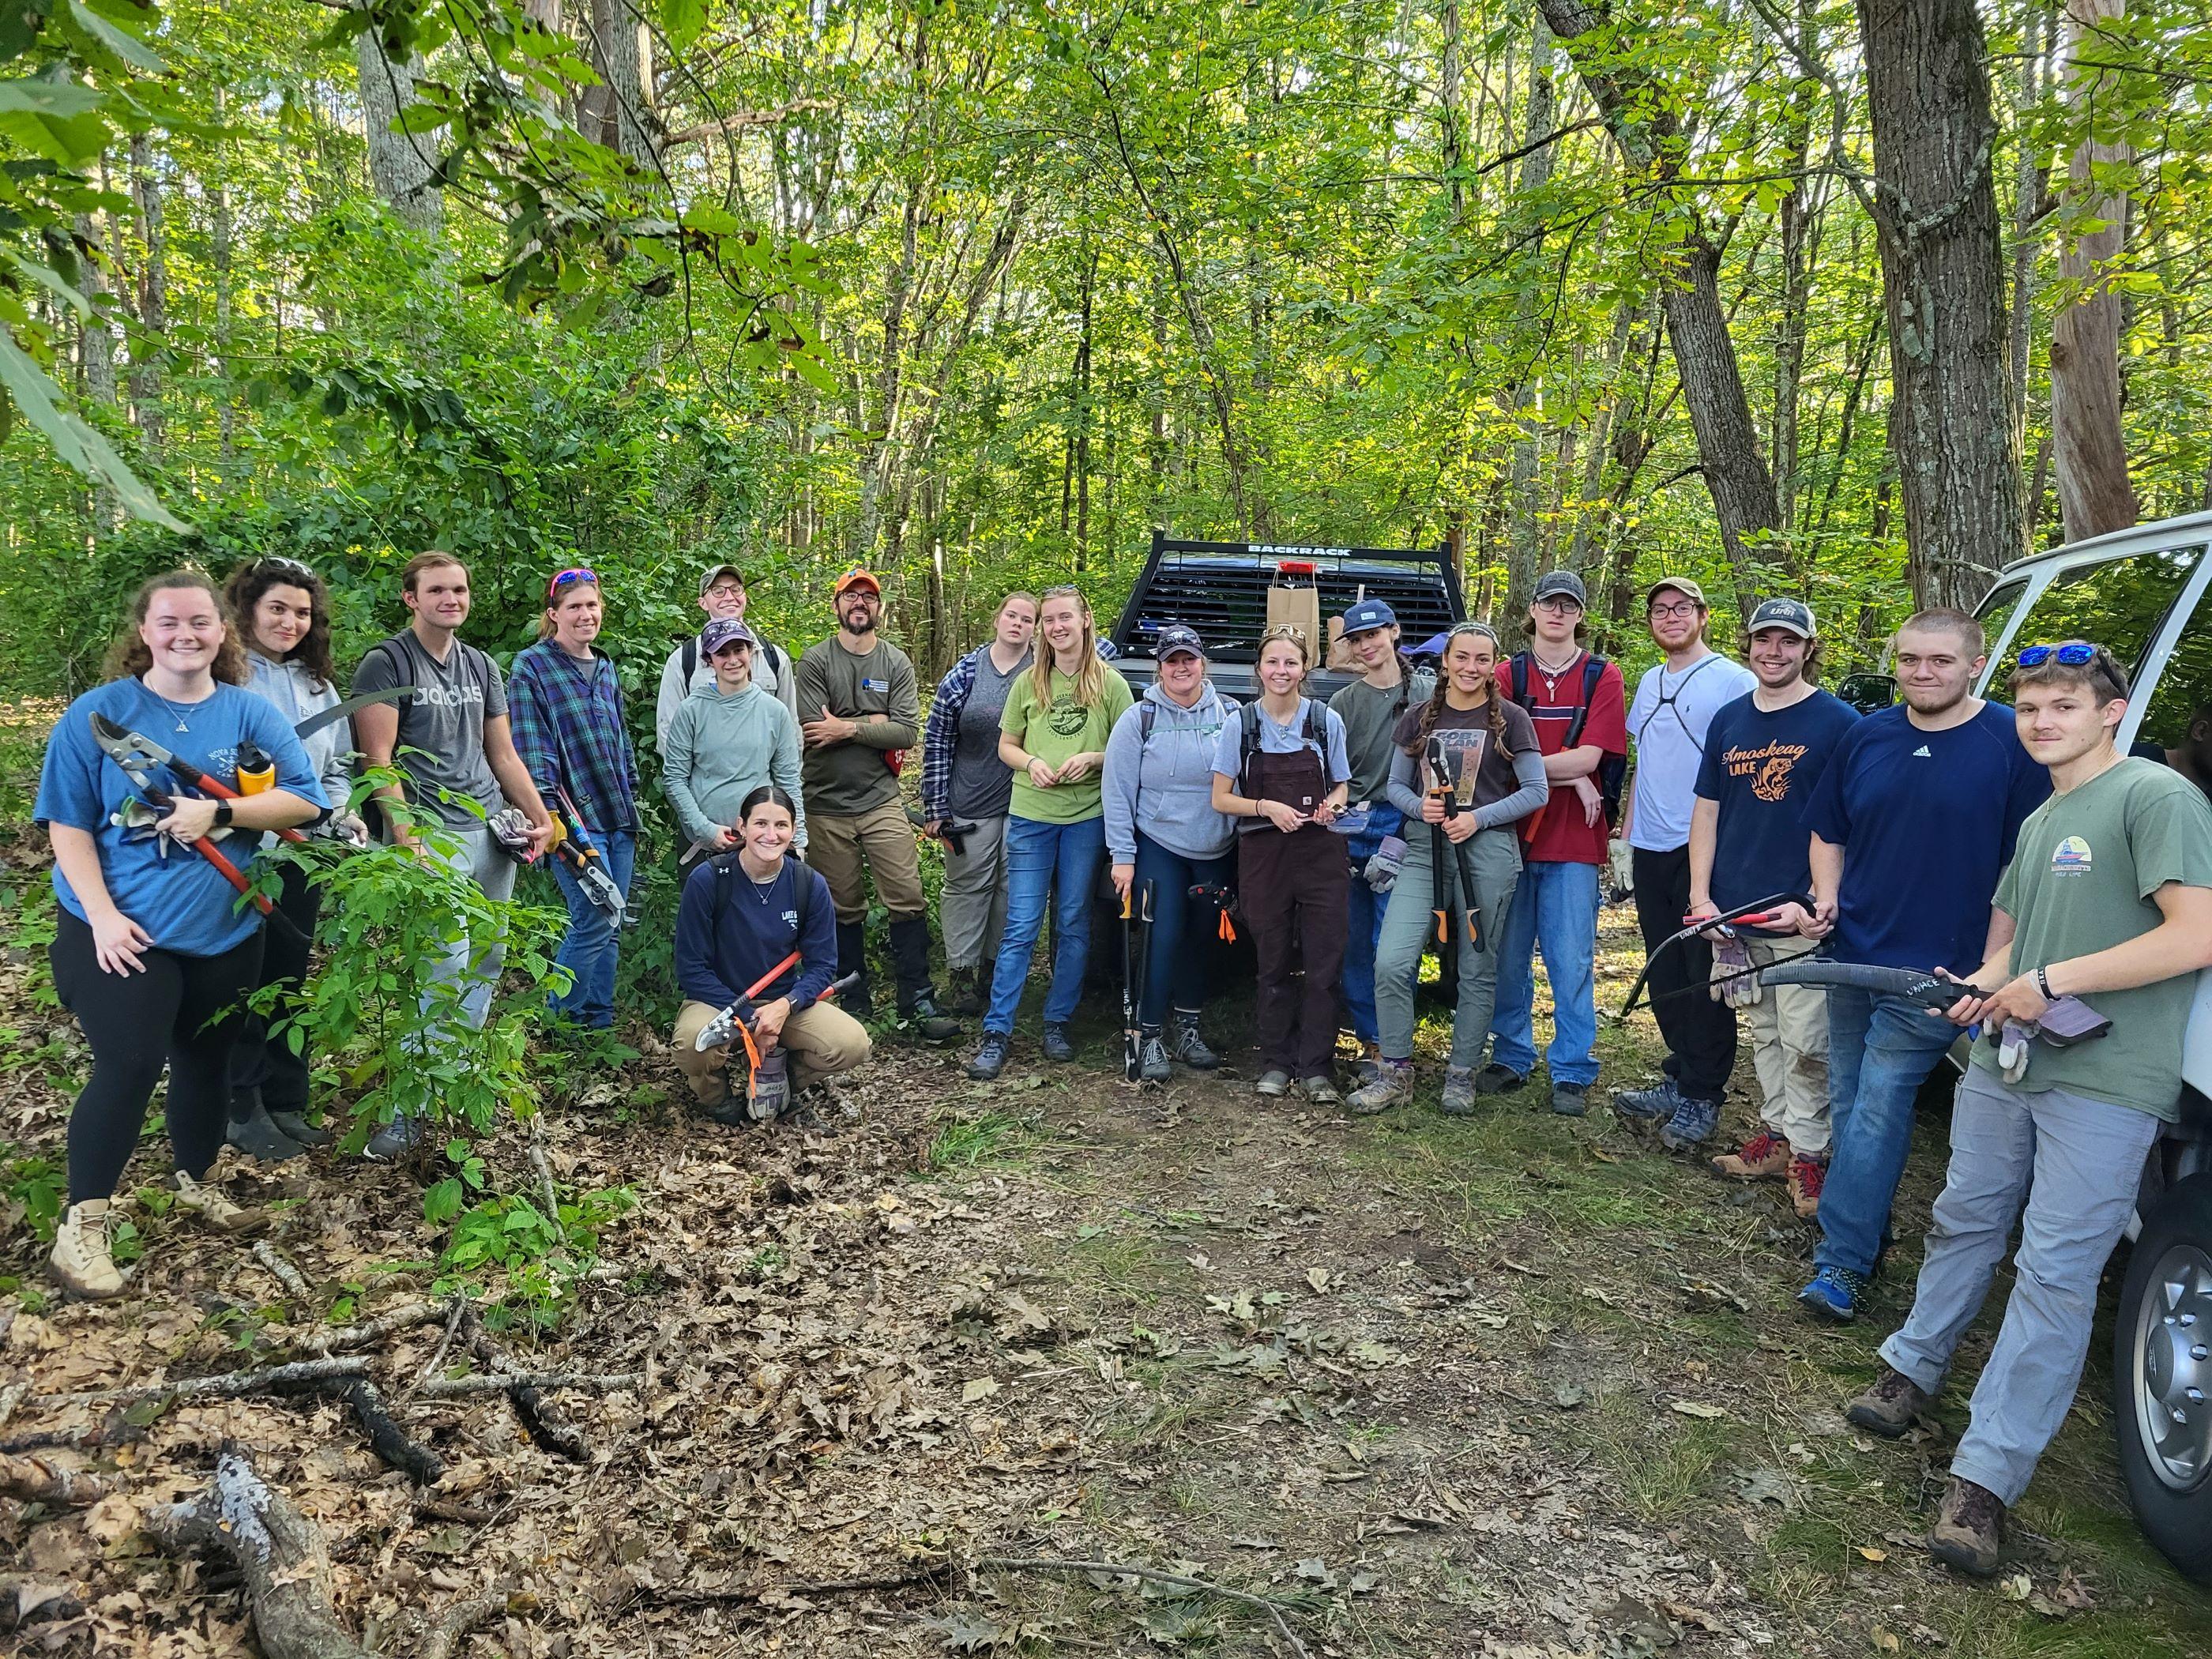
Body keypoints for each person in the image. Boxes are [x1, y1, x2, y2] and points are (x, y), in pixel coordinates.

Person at [1839, 643, 2212, 1578]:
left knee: (2055, 1270)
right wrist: (1978, 986)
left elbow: (2195, 934)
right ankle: (1912, 1367)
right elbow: (2010, 949)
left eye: (2063, 707)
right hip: (2006, 1065)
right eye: (2031, 708)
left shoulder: (2155, 799)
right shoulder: (2046, 815)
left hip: (2106, 1078)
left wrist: (2049, 981)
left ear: (2111, 712)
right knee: (1963, 1218)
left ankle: (1985, 1478)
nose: (2042, 723)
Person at [38, 572, 327, 1300]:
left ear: (222, 632)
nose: (185, 636)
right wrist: (102, 915)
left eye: (199, 622)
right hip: (120, 928)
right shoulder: (98, 714)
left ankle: (194, 1183)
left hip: (223, 927)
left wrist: (220, 816)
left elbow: (305, 799)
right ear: (145, 632)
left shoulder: (246, 712)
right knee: (131, 1063)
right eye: (169, 623)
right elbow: (67, 825)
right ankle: (82, 1228)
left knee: (208, 1058)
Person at [1794, 610, 2050, 1322]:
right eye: (1909, 659)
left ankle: (1841, 1264)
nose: (1921, 673)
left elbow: (2021, 866)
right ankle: (1862, 1234)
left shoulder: (2010, 742)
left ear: (1976, 664)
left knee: (1878, 1103)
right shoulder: (1867, 735)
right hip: (1853, 958)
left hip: (1940, 973)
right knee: (1850, 1098)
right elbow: (1827, 829)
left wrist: (1990, 965)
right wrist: (1828, 897)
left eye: (1939, 661)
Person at [352, 551, 555, 1158]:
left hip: (489, 828)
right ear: (411, 598)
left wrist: (542, 818)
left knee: (487, 960)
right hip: (430, 834)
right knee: (442, 965)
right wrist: (406, 838)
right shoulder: (386, 663)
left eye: (460, 589)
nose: (452, 599)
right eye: (438, 590)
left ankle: (456, 1085)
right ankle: (408, 1110)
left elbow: (503, 755)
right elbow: (377, 761)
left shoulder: (482, 666)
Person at [1687, 600, 1860, 1217]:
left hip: (1800, 915)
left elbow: (1850, 823)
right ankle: (1778, 1139)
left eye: (1789, 641)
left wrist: (1820, 901)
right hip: (1735, 912)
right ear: (1749, 644)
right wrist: (1702, 897)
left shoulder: (1839, 722)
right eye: (1765, 640)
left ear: (1809, 648)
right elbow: (1706, 810)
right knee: (1763, 1029)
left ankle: (1812, 1156)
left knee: (1807, 1039)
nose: (1775, 652)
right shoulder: (1729, 719)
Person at [1350, 623, 1548, 1115]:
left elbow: (1535, 791)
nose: (1470, 668)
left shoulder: (1513, 719)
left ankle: (1461, 1073)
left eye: (1482, 660)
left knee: (1478, 968)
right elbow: (1395, 785)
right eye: (1462, 657)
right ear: (1446, 660)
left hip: (1487, 851)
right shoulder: (1418, 716)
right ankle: (1395, 1070)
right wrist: (1422, 808)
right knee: (1392, 960)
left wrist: (1478, 817)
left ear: (1493, 664)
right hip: (1423, 850)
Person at [221, 556, 366, 1164]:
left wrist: (339, 815)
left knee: (287, 976)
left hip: (302, 858)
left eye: (302, 612)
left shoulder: (318, 687)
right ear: (249, 609)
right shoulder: (224, 680)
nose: (290, 621)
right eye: (277, 608)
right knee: (242, 980)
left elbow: (335, 769)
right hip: (236, 855)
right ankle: (240, 1106)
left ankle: (285, 1100)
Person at [966, 586, 1134, 1079]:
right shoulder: (1028, 682)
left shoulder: (1110, 683)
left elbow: (1127, 753)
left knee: (1074, 921)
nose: (1057, 627)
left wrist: (1095, 758)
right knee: (1021, 924)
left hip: (1086, 818)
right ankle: (997, 1031)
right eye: (1048, 620)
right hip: (1031, 816)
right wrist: (1033, 761)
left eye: (1066, 617)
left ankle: (1057, 1022)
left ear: (1085, 620)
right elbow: (1007, 747)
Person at [1614, 577, 1757, 1139]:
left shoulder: (1732, 680)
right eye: (1659, 610)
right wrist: (1623, 839)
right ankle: (1678, 1073)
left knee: (1704, 976)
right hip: (1650, 845)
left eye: (1681, 608)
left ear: (1702, 616)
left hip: (1704, 851)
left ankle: (1703, 1092)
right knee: (1663, 966)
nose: (1670, 617)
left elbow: (1746, 766)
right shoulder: (1648, 682)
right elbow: (1644, 763)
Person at [795, 567, 958, 1039]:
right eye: (851, 596)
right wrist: (874, 722)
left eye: (868, 596)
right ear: (837, 606)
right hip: (824, 803)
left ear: (879, 608)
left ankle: (918, 1000)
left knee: (907, 896)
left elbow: (906, 730)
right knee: (842, 905)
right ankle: (851, 998)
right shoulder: (816, 661)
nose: (860, 603)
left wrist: (846, 726)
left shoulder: (895, 662)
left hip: (881, 800)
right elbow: (812, 728)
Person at [1488, 570, 1627, 1115]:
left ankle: (1572, 1069)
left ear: (1579, 615)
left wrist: (1564, 770)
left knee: (1570, 960)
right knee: (1507, 957)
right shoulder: (1506, 673)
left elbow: (1593, 757)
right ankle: (1511, 1055)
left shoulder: (1602, 676)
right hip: (1509, 836)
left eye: (1568, 606)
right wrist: (1565, 778)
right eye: (1549, 603)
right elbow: (1490, 752)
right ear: (1533, 607)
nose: (1558, 613)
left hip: (1573, 840)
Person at [1209, 625, 1354, 1103]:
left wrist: (1331, 806)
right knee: (1271, 962)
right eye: (1272, 662)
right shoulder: (1242, 724)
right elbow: (1221, 799)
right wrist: (1267, 807)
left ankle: (1316, 1068)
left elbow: (1341, 786)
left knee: (1322, 964)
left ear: (1304, 668)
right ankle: (1274, 1062)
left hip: (1320, 854)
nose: (1281, 671)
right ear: (1259, 669)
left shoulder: (1324, 720)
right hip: (1264, 855)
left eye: (1290, 663)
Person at [672, 786, 871, 1123]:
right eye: (760, 824)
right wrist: (751, 1017)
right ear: (742, 826)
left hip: (783, 1002)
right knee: (691, 1046)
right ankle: (718, 1099)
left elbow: (823, 966)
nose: (770, 834)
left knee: (851, 1044)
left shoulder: (808, 883)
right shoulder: (709, 880)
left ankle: (779, 1078)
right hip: (718, 1000)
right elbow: (691, 969)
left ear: (793, 831)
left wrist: (784, 1007)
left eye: (781, 825)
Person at [1103, 623, 1240, 1081]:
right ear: (1158, 667)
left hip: (1216, 843)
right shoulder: (1139, 718)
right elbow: (1117, 791)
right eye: (1172, 660)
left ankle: (1189, 1028)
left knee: (1203, 934)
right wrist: (1123, 855)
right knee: (1164, 933)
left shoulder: (1232, 714)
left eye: (1189, 659)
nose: (1181, 667)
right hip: (1157, 841)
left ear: (1204, 664)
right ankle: (1151, 1035)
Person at [507, 566, 641, 1032]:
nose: (586, 614)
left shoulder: (605, 667)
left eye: (592, 605)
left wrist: (633, 788)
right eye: (575, 607)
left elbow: (620, 736)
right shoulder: (533, 666)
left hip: (617, 811)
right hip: (569, 816)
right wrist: (546, 810)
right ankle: (558, 1023)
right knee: (592, 916)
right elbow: (529, 741)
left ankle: (597, 1022)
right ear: (554, 614)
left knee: (613, 918)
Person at [920, 591, 1038, 1014]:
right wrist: (935, 806)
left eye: (1028, 619)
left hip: (1028, 803)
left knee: (1011, 892)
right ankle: (962, 978)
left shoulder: (1044, 668)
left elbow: (1092, 642)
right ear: (997, 619)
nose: (1018, 624)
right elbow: (937, 739)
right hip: (969, 802)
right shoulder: (967, 672)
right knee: (967, 889)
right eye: (1012, 615)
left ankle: (995, 973)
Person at [1328, 599, 1429, 1080]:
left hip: (1405, 822)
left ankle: (1395, 1041)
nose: (1367, 646)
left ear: (1394, 633)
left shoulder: (1429, 691)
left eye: (1374, 635)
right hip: (1351, 823)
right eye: (1357, 639)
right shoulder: (1343, 702)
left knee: (1392, 941)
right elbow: (1332, 772)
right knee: (1350, 938)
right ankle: (1372, 1040)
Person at [662, 618, 806, 858]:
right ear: (709, 660)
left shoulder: (774, 711)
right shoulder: (691, 711)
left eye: (739, 650)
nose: (732, 660)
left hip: (763, 842)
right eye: (722, 653)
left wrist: (798, 841)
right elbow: (674, 778)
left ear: (750, 652)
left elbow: (788, 779)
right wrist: (705, 830)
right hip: (705, 845)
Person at [656, 562, 799, 746]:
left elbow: (791, 730)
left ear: (745, 597)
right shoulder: (683, 661)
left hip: (763, 774)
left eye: (736, 589)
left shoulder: (775, 659)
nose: (729, 597)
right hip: (704, 774)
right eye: (718, 591)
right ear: (703, 603)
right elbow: (668, 732)